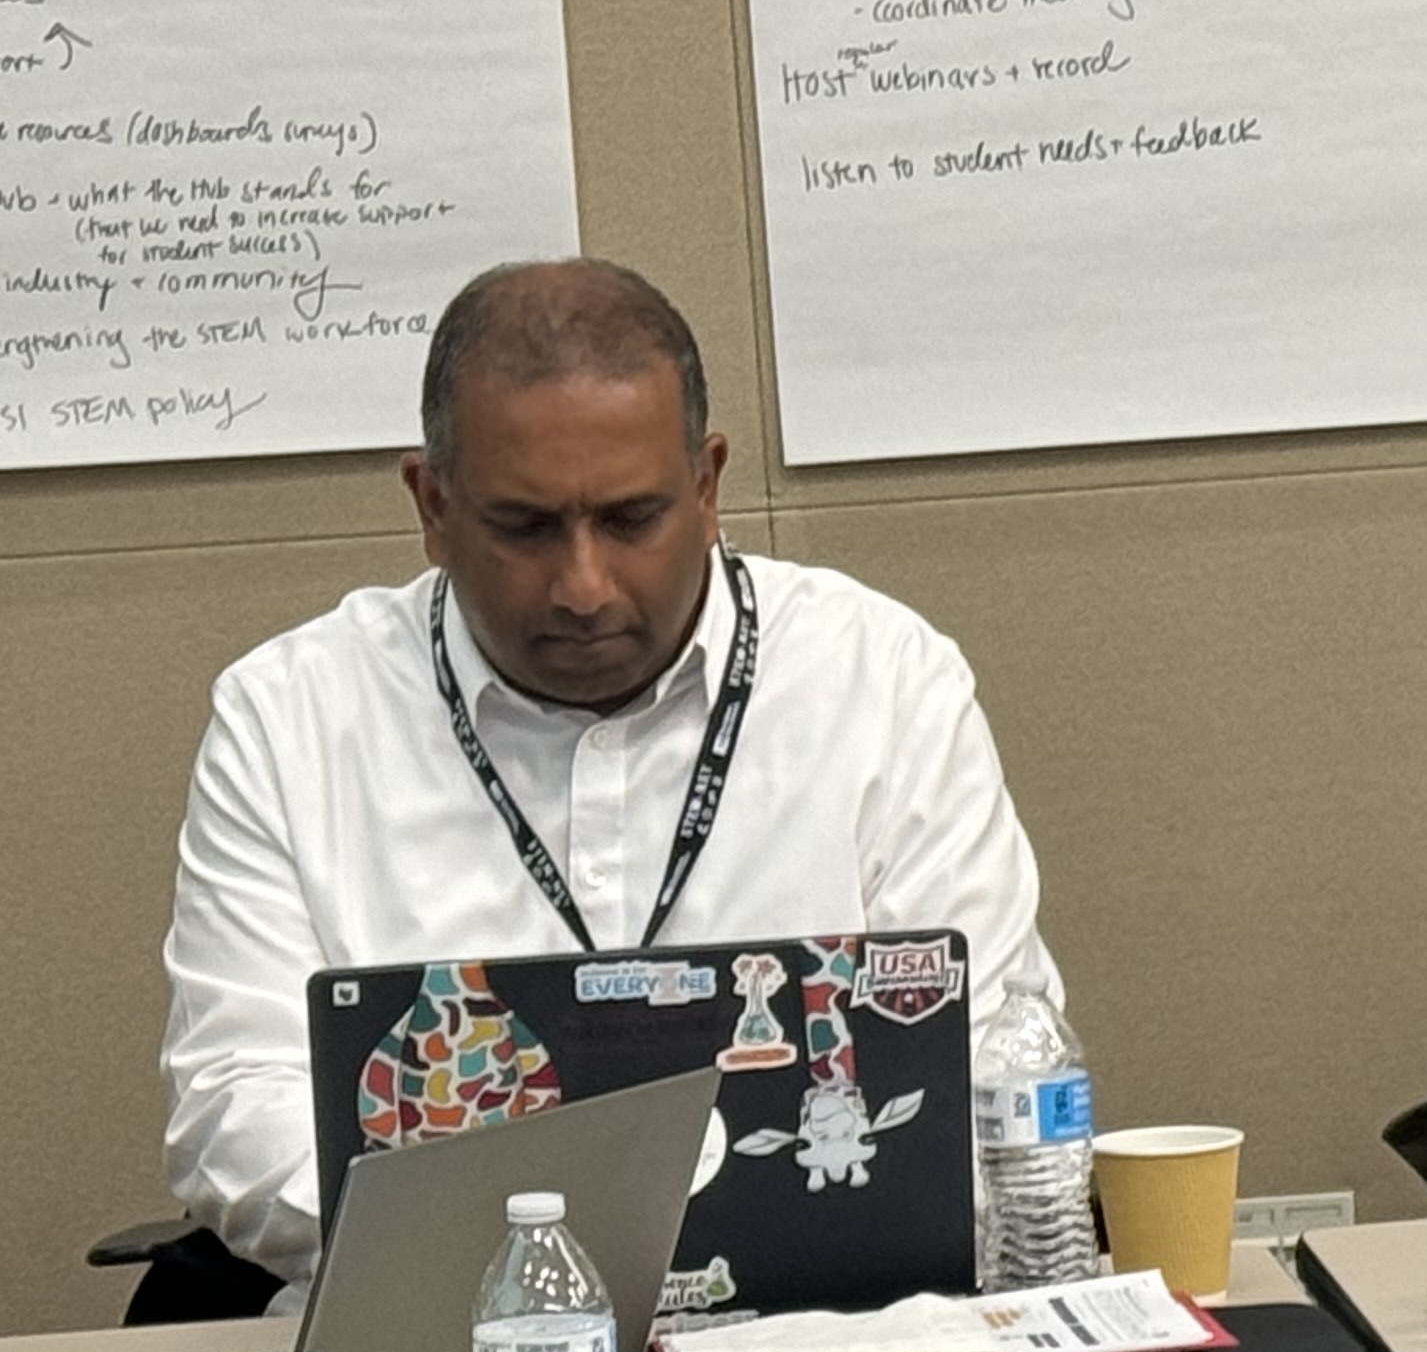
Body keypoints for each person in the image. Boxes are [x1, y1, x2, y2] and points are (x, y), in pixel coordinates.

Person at [158, 258, 1060, 1299]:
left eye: (632, 520)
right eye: (525, 528)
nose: (583, 586)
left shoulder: (881, 682)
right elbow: (237, 1107)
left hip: (829, 1327)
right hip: (443, 1325)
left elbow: (987, 1062)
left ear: (710, 486)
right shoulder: (292, 719)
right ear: (432, 504)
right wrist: (530, 1265)